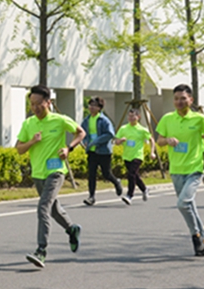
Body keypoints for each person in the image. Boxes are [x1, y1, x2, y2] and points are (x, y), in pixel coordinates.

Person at [15, 86, 85, 268]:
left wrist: (69, 148)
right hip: (38, 173)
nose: (35, 107)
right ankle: (72, 229)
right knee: (53, 209)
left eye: (38, 103)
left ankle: (41, 250)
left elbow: (80, 132)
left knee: (43, 208)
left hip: (56, 171)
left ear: (48, 102)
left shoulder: (60, 120)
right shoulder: (28, 124)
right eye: (32, 104)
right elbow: (19, 149)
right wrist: (32, 141)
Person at [155, 84, 204, 257]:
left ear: (191, 100)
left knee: (183, 203)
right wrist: (167, 140)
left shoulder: (198, 118)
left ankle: (195, 236)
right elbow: (159, 140)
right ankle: (203, 239)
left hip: (194, 168)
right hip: (176, 169)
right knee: (189, 206)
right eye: (176, 99)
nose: (179, 102)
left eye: (183, 98)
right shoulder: (167, 119)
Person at [81, 96, 126, 205]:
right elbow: (82, 132)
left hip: (103, 151)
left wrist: (96, 141)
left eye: (94, 106)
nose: (91, 107)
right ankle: (91, 197)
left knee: (106, 173)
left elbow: (110, 134)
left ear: (99, 108)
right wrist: (85, 141)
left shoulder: (104, 120)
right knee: (91, 174)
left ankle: (116, 182)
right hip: (91, 151)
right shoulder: (86, 120)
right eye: (90, 105)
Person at [113, 108, 152, 203]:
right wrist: (120, 141)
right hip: (127, 156)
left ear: (138, 117)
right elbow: (116, 141)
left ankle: (129, 195)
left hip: (137, 156)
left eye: (133, 116)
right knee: (135, 176)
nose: (131, 118)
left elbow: (152, 140)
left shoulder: (142, 129)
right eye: (129, 116)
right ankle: (144, 189)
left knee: (131, 175)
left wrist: (152, 152)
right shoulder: (123, 128)